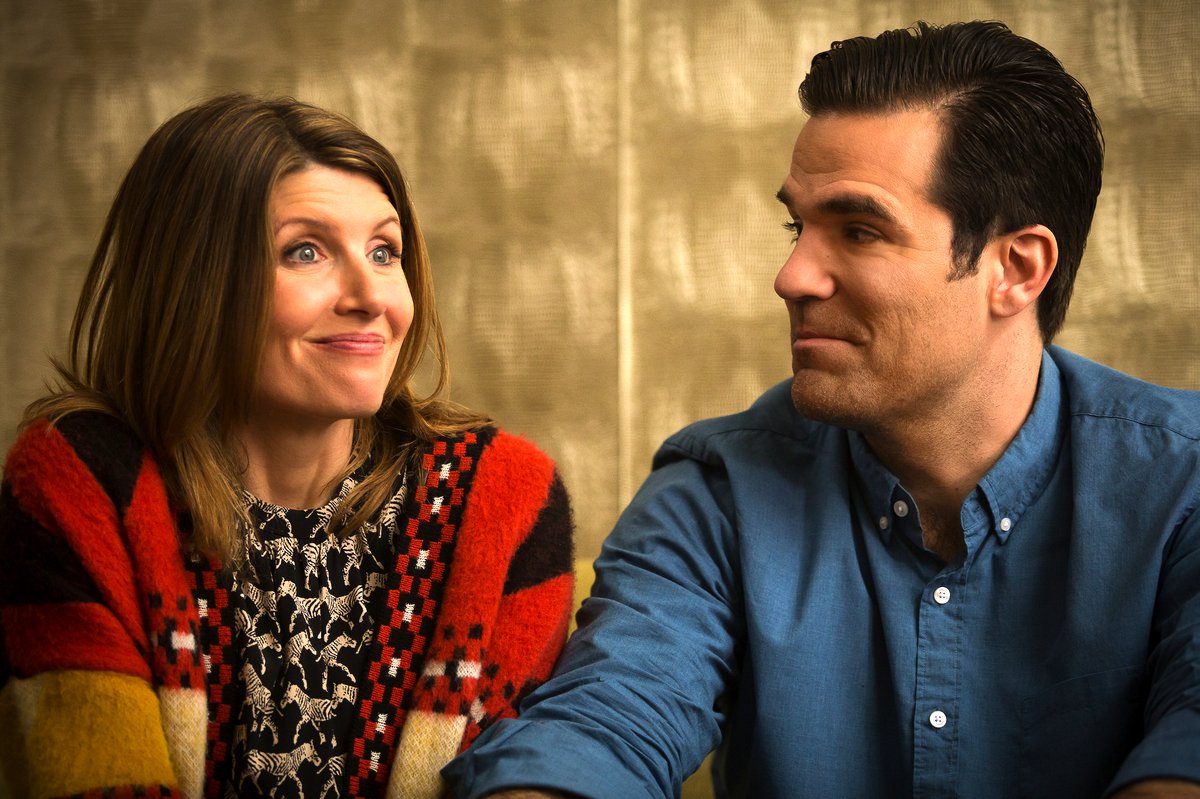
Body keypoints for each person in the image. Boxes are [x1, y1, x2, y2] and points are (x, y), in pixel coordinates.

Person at [442, 20, 1200, 799]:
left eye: (860, 230)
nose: (792, 276)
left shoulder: (1182, 485)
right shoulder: (719, 490)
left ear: (1016, 267)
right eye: (796, 226)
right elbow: (604, 724)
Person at [0, 93, 574, 799]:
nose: (371, 296)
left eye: (384, 252)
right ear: (195, 281)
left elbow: (518, 775)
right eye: (306, 251)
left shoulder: (504, 496)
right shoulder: (81, 485)